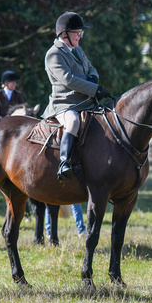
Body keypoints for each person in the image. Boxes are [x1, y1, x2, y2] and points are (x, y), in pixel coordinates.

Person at [41, 11, 110, 181]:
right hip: (66, 103)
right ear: (64, 34)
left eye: (81, 33)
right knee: (72, 122)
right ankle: (64, 163)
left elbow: (90, 68)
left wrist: (94, 78)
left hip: (86, 101)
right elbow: (68, 80)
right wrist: (94, 89)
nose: (80, 37)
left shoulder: (77, 50)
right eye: (77, 33)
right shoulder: (53, 54)